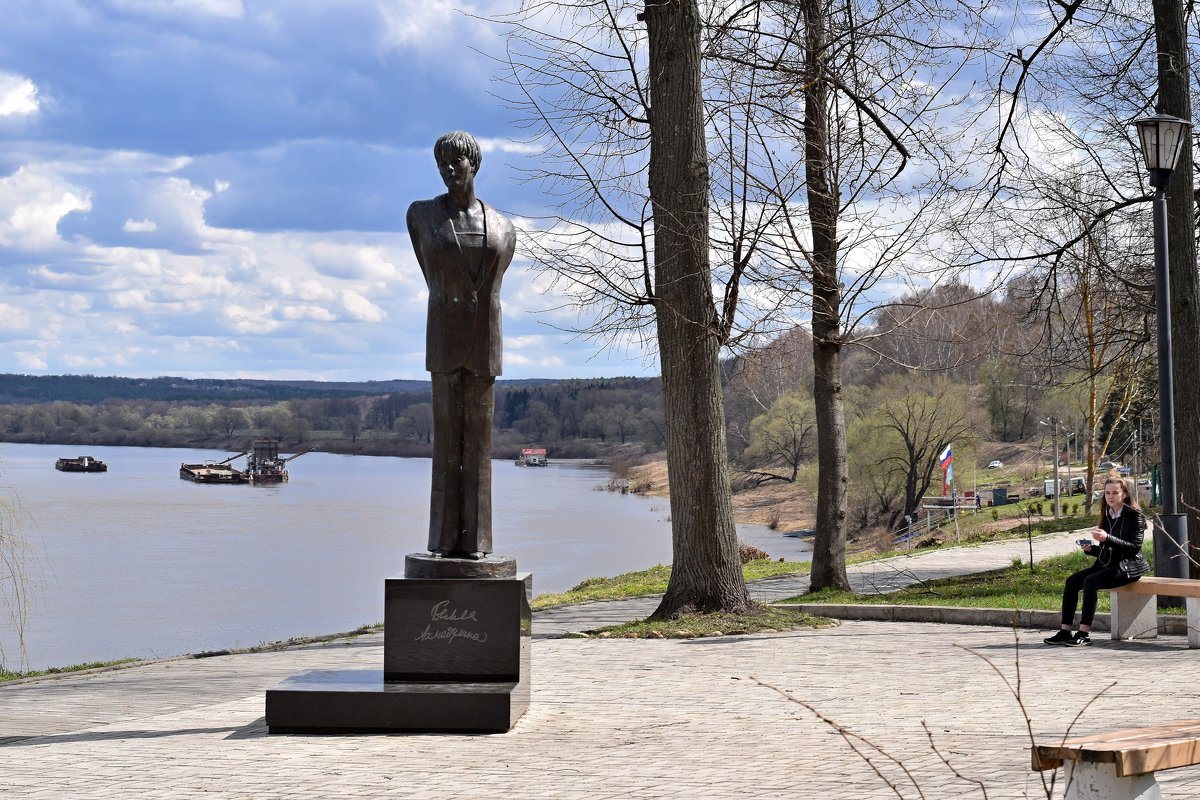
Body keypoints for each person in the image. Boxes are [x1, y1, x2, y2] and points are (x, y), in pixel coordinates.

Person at [407, 131, 517, 559]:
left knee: (480, 449)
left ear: (475, 164)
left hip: (485, 345)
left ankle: (477, 542)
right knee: (445, 446)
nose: (449, 170)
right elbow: (431, 272)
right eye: (442, 164)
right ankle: (442, 541)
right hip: (444, 340)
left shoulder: (504, 227)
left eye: (457, 162)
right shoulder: (421, 216)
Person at [1043, 474, 1151, 646]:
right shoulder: (1107, 514)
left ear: (1124, 494)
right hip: (1108, 564)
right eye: (1107, 493)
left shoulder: (1134, 515)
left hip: (1129, 568)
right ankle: (1065, 630)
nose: (1111, 497)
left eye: (1115, 493)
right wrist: (1092, 549)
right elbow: (1106, 550)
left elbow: (1133, 548)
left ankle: (1084, 633)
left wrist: (1107, 537)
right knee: (1071, 581)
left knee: (1090, 582)